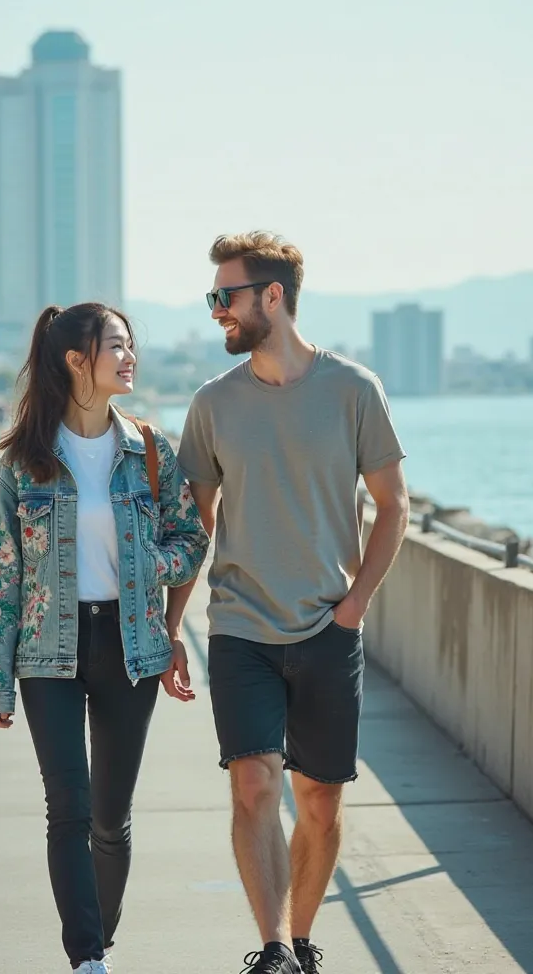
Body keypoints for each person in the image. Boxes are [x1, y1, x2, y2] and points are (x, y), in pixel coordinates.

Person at [168, 232, 409, 974]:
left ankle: (301, 942)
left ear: (273, 296)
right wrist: (172, 624)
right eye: (214, 297)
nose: (217, 312)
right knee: (253, 782)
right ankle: (272, 948)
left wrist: (355, 606)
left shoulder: (354, 390)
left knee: (320, 804)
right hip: (240, 626)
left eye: (226, 296)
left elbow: (392, 505)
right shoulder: (213, 404)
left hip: (327, 628)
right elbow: (194, 525)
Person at [0, 302, 208, 974]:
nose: (129, 357)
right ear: (77, 360)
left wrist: (151, 566)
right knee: (66, 809)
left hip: (129, 647)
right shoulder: (27, 461)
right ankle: (87, 961)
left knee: (110, 819)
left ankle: (98, 939)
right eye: (117, 347)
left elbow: (191, 538)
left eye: (131, 346)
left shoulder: (151, 451)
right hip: (47, 652)